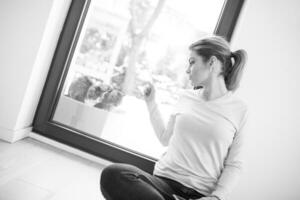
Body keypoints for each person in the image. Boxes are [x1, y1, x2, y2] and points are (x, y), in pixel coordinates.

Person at [100, 35, 248, 200]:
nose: (187, 70)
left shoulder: (239, 110)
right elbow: (165, 138)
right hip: (164, 185)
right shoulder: (186, 97)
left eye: (192, 62)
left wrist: (216, 197)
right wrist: (151, 104)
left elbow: (234, 164)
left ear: (212, 63)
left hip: (201, 194)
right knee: (113, 174)